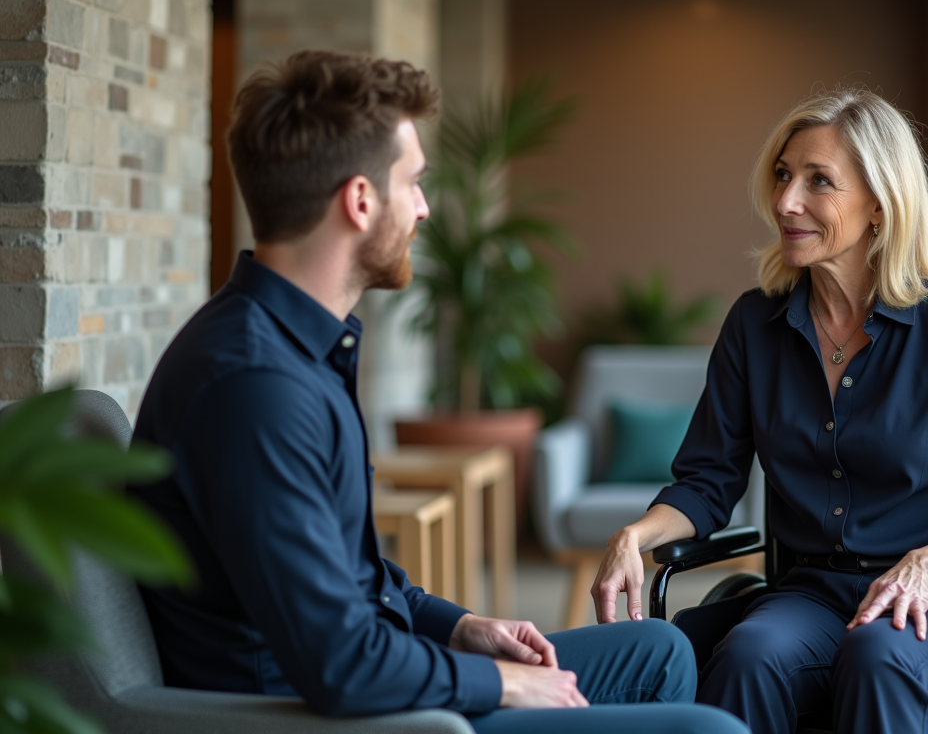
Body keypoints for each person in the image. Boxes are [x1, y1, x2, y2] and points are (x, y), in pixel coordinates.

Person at [130, 50, 747, 734]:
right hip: (329, 719)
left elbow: (357, 576)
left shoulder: (294, 350)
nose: (425, 208)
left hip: (386, 678)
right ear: (360, 201)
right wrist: (498, 684)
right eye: (414, 183)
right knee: (710, 731)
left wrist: (462, 627)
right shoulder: (254, 388)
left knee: (655, 653)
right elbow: (339, 665)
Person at [591, 88, 928, 734]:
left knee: (877, 658)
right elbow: (706, 481)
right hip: (811, 593)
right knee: (750, 655)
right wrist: (634, 537)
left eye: (818, 182)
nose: (786, 202)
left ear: (879, 207)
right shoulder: (755, 325)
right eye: (783, 176)